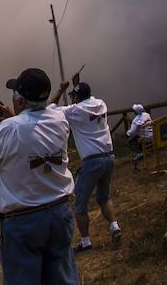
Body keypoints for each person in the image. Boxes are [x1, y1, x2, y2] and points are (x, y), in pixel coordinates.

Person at [0, 67, 77, 285]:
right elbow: (33, 129)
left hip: (25, 221)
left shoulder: (10, 128)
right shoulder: (60, 119)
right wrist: (15, 117)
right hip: (60, 213)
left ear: (21, 101)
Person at [53, 74, 122, 250]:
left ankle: (85, 242)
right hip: (109, 157)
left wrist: (62, 88)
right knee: (104, 196)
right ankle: (114, 226)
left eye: (73, 96)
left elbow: (52, 109)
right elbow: (86, 100)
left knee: (80, 204)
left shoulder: (74, 111)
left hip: (92, 161)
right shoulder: (100, 104)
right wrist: (77, 86)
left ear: (76, 97)